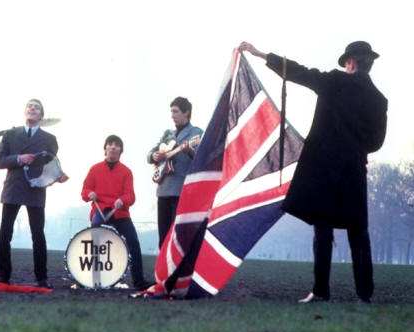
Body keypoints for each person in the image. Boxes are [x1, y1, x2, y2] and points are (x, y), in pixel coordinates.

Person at [239, 41, 388, 303]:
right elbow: (376, 143)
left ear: (350, 62)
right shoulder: (379, 99)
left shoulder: (334, 82)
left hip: (324, 166)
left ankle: (320, 291)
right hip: (354, 168)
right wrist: (354, 147)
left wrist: (260, 53)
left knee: (323, 228)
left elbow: (298, 72)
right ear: (369, 64)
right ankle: (365, 293)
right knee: (358, 230)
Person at [0, 99, 67, 288]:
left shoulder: (50, 139)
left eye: (37, 107)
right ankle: (3, 277)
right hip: (14, 187)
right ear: (25, 112)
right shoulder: (10, 134)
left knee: (38, 234)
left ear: (41, 116)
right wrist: (19, 158)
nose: (32, 109)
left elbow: (51, 163)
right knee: (5, 234)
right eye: (29, 106)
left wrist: (58, 175)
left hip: (36, 188)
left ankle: (41, 278)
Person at [81, 135, 153, 290]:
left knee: (133, 242)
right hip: (100, 210)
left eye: (117, 145)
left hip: (120, 212)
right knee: (95, 236)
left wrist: (123, 200)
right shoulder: (95, 169)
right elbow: (84, 190)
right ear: (105, 148)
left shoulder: (126, 172)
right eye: (110, 144)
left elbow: (131, 195)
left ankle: (139, 281)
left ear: (121, 151)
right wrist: (89, 194)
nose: (113, 147)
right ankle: (93, 278)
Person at [147, 97, 203, 248]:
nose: (172, 115)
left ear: (187, 112)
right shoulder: (167, 134)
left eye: (175, 111)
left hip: (181, 191)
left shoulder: (196, 133)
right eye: (171, 111)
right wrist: (154, 156)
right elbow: (150, 154)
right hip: (163, 191)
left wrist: (190, 151)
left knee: (178, 237)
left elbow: (202, 159)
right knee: (163, 236)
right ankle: (163, 271)